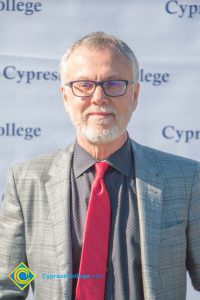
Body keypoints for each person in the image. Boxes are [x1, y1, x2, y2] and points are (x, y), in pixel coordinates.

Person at [0, 32, 200, 300]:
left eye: (113, 84)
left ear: (135, 95)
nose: (98, 97)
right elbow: (12, 282)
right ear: (65, 96)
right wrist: (20, 278)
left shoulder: (185, 180)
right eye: (83, 85)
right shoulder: (27, 183)